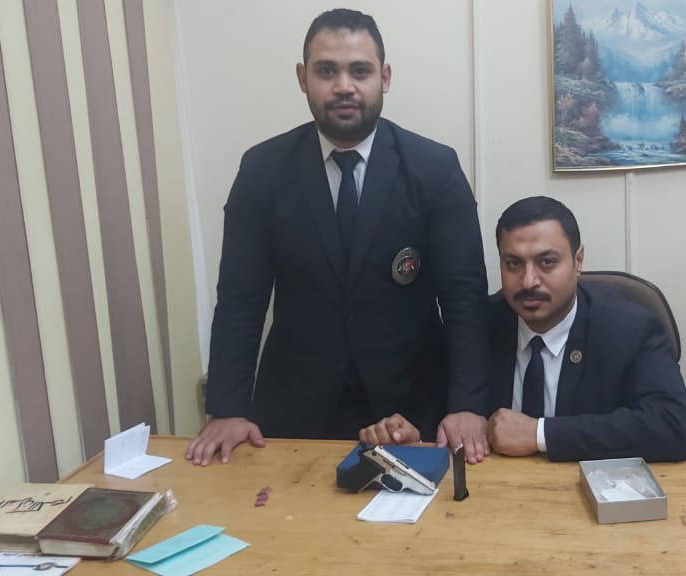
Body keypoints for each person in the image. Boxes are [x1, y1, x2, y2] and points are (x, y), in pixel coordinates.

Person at [187, 8, 491, 466]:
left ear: (384, 77)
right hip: (293, 411)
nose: (344, 86)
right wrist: (228, 408)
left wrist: (467, 403)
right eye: (327, 71)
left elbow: (464, 297)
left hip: (412, 410)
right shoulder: (262, 171)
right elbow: (239, 298)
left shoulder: (434, 169)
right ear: (302, 78)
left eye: (360, 71)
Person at [360, 196, 686, 462]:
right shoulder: (475, 328)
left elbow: (673, 427)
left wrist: (539, 434)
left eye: (547, 262)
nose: (529, 281)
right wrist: (413, 439)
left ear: (578, 261)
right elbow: (442, 416)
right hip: (494, 506)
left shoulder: (630, 328)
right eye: (513, 264)